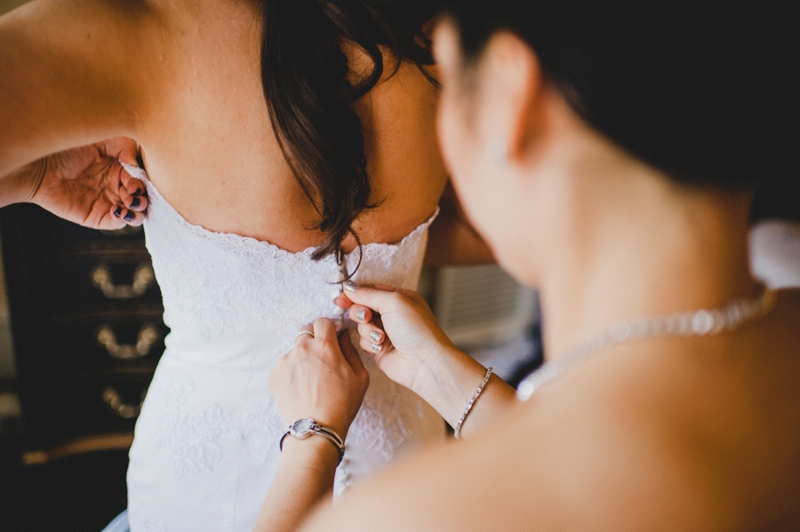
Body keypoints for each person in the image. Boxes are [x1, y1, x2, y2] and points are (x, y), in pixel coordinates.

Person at [259, 0, 800, 530]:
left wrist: (312, 442)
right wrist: (440, 376)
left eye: (445, 74)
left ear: (508, 93)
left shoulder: (409, 516)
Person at [0, 1, 495, 530]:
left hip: (210, 490)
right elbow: (493, 229)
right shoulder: (449, 33)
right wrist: (395, 239)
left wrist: (35, 176)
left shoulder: (145, 27)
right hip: (410, 479)